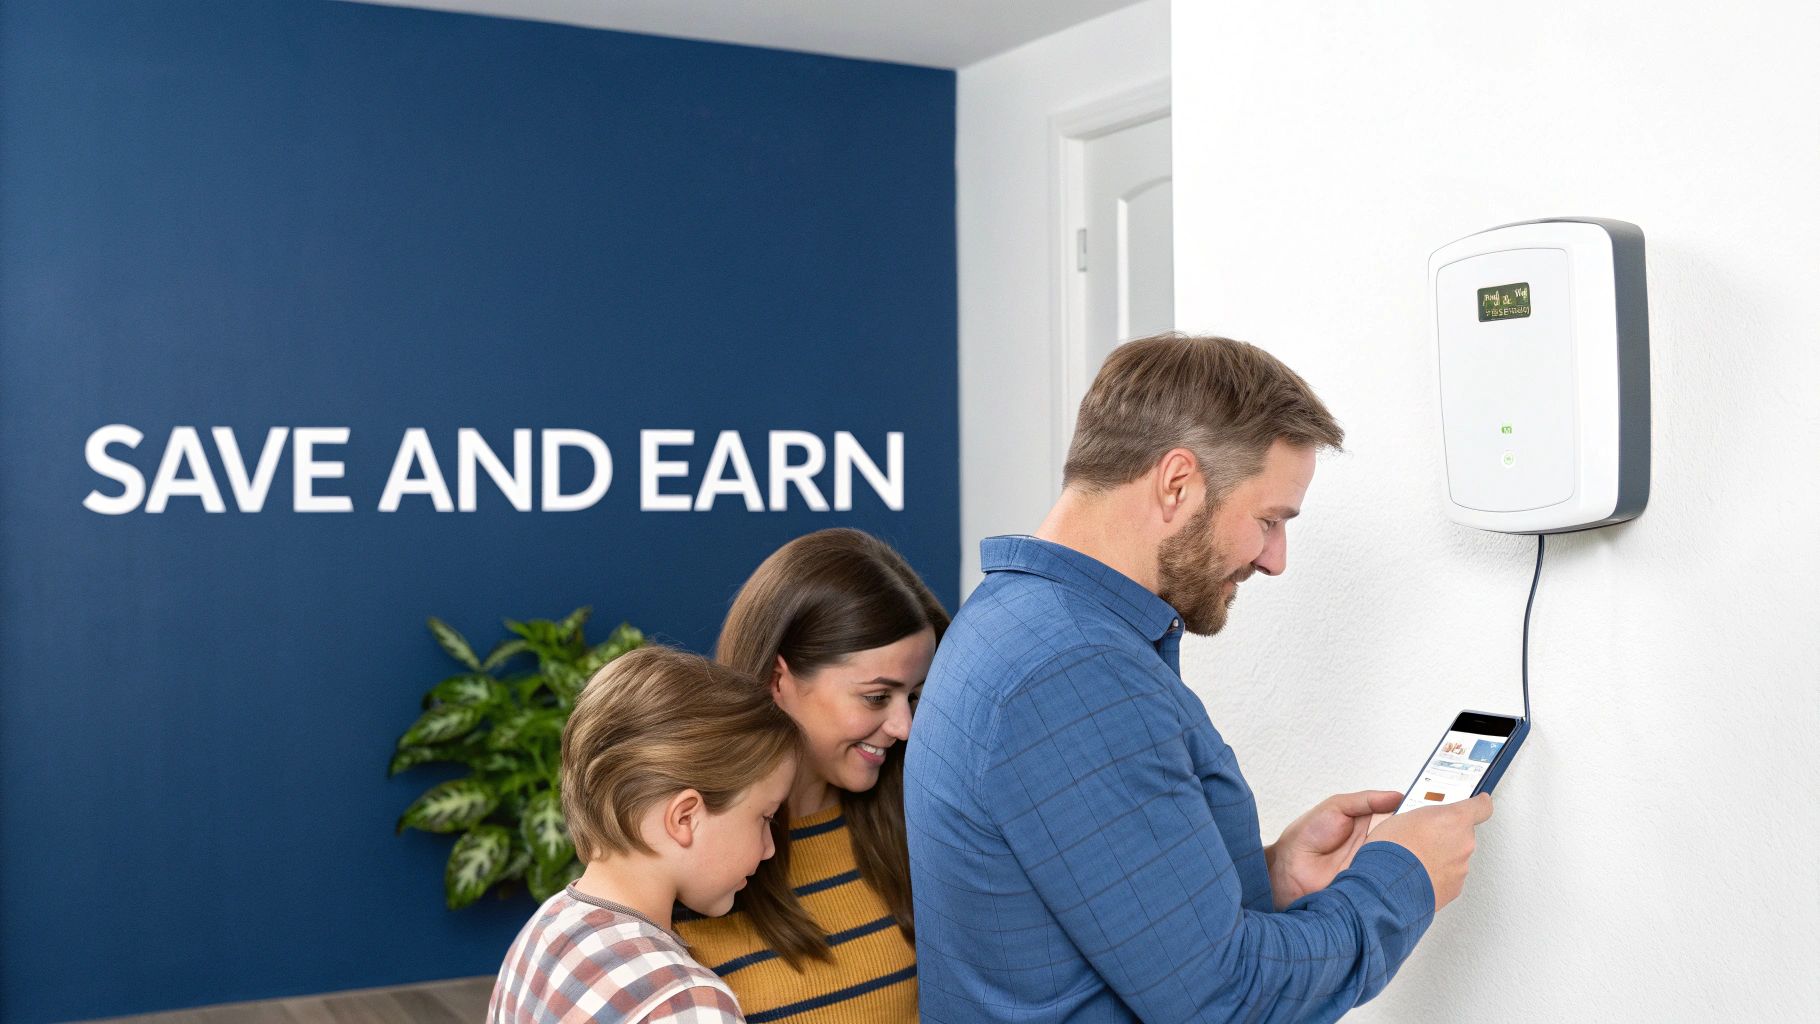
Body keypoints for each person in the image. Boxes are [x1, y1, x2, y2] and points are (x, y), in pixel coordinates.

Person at [906, 333, 1494, 1022]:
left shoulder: (1016, 621)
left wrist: (1271, 877)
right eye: (1268, 520)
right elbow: (1224, 1000)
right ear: (1177, 483)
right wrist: (1404, 879)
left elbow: (1094, 910)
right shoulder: (1073, 672)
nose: (1274, 560)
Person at [675, 528, 948, 1023]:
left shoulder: (918, 823)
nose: (904, 726)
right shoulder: (688, 854)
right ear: (778, 680)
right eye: (875, 697)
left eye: (913, 695)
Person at [488, 646, 799, 1024]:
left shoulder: (542, 932)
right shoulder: (687, 1004)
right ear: (684, 818)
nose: (769, 849)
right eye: (765, 817)